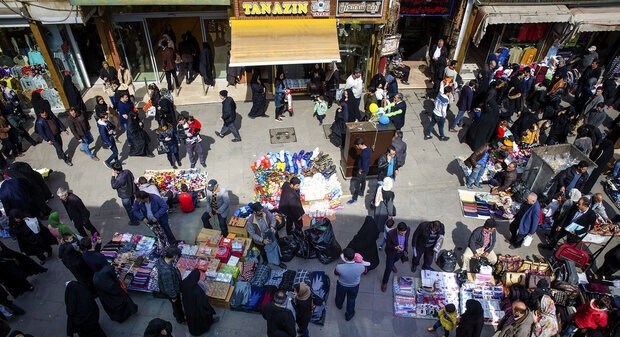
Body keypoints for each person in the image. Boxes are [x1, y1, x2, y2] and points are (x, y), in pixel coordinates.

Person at [181, 269, 219, 335]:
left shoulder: (185, 282)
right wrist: (206, 298)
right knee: (202, 318)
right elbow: (202, 302)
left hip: (188, 305)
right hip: (197, 308)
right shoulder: (197, 290)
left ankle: (193, 331)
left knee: (192, 320)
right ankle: (204, 328)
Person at [334, 247, 366, 320]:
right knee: (351, 299)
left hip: (342, 285)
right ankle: (349, 314)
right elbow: (364, 271)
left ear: (345, 258)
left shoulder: (339, 267)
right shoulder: (361, 266)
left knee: (339, 296)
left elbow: (336, 273)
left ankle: (339, 305)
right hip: (354, 286)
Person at [156, 246, 185, 324]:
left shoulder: (164, 261)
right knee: (177, 306)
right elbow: (168, 286)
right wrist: (173, 296)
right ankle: (180, 318)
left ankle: (178, 314)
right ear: (173, 256)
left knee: (176, 305)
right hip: (173, 292)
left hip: (174, 287)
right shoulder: (166, 271)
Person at [381, 222, 410, 292]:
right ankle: (384, 283)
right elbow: (388, 245)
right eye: (401, 233)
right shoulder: (390, 233)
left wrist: (405, 249)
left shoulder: (408, 229)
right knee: (388, 269)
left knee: (396, 260)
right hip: (391, 253)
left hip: (400, 252)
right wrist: (395, 247)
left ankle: (392, 265)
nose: (403, 234)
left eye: (404, 233)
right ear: (397, 229)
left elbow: (406, 239)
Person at [348, 138, 372, 204]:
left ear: (359, 145)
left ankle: (354, 198)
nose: (356, 147)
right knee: (363, 181)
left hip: (362, 170)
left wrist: (360, 170)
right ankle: (361, 193)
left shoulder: (364, 154)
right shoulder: (368, 149)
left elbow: (363, 163)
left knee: (357, 185)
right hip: (367, 169)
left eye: (356, 146)